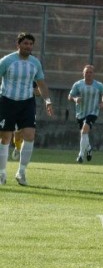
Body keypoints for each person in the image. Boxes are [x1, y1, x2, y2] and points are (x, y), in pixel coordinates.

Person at [0, 32, 54, 186]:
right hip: (7, 102)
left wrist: (48, 101)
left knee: (30, 135)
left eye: (31, 44)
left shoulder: (35, 63)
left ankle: (21, 172)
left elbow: (41, 83)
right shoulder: (6, 61)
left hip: (27, 103)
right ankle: (2, 173)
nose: (28, 46)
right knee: (5, 138)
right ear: (18, 45)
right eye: (25, 44)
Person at [68, 64, 103, 163]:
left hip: (93, 112)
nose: (88, 74)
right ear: (83, 73)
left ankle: (80, 155)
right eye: (86, 72)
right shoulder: (78, 84)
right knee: (84, 133)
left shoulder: (98, 85)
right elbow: (70, 96)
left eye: (90, 72)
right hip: (80, 113)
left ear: (93, 74)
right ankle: (89, 149)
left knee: (84, 131)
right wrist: (75, 98)